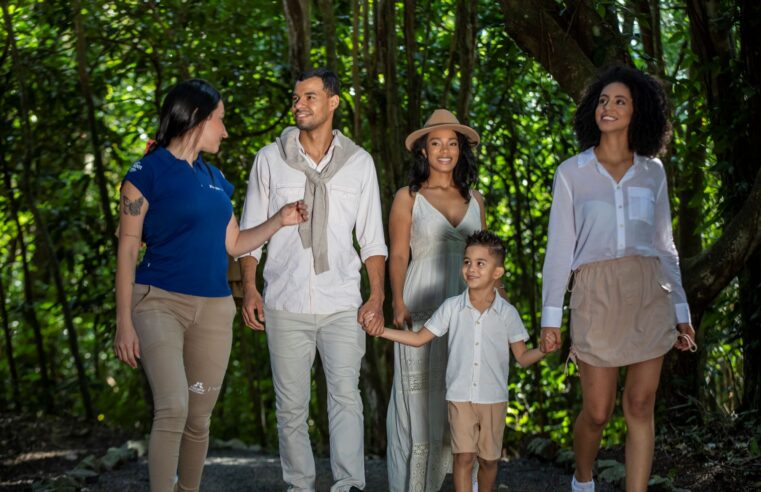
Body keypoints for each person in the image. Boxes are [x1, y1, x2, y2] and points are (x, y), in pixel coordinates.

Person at [114, 79, 307, 492]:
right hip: (157, 303)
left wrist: (279, 219)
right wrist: (123, 321)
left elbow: (234, 243)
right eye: (220, 121)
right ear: (197, 119)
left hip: (215, 310)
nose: (225, 130)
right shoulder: (144, 173)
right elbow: (128, 250)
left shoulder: (216, 179)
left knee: (199, 418)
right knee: (173, 407)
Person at [539, 66, 698, 492]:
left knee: (640, 404)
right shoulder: (572, 173)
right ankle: (583, 479)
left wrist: (681, 310)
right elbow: (559, 250)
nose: (608, 107)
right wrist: (550, 319)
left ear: (637, 112)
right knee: (597, 411)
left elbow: (666, 247)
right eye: (603, 101)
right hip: (596, 295)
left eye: (619, 101)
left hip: (649, 292)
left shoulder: (653, 172)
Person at [237, 68, 387, 491]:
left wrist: (375, 298)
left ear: (333, 103)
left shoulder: (359, 163)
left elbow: (372, 239)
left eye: (309, 97)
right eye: (296, 97)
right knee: (290, 407)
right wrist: (249, 287)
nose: (299, 104)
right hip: (284, 299)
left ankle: (348, 485)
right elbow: (250, 233)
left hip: (340, 300)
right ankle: (299, 486)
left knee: (345, 399)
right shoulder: (270, 158)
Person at [374, 231, 548, 492]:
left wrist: (544, 350)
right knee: (463, 457)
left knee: (489, 461)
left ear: (497, 273)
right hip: (459, 397)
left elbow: (522, 358)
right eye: (467, 261)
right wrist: (382, 331)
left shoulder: (507, 314)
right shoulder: (451, 307)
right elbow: (419, 338)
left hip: (493, 399)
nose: (471, 268)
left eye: (480, 263)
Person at [386, 109, 486, 491]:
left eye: (452, 142)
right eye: (436, 142)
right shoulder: (407, 198)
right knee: (420, 408)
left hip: (468, 311)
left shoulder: (476, 199)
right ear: (424, 151)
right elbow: (398, 254)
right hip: (421, 303)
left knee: (464, 402)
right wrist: (397, 301)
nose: (445, 149)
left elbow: (487, 258)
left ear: (461, 149)